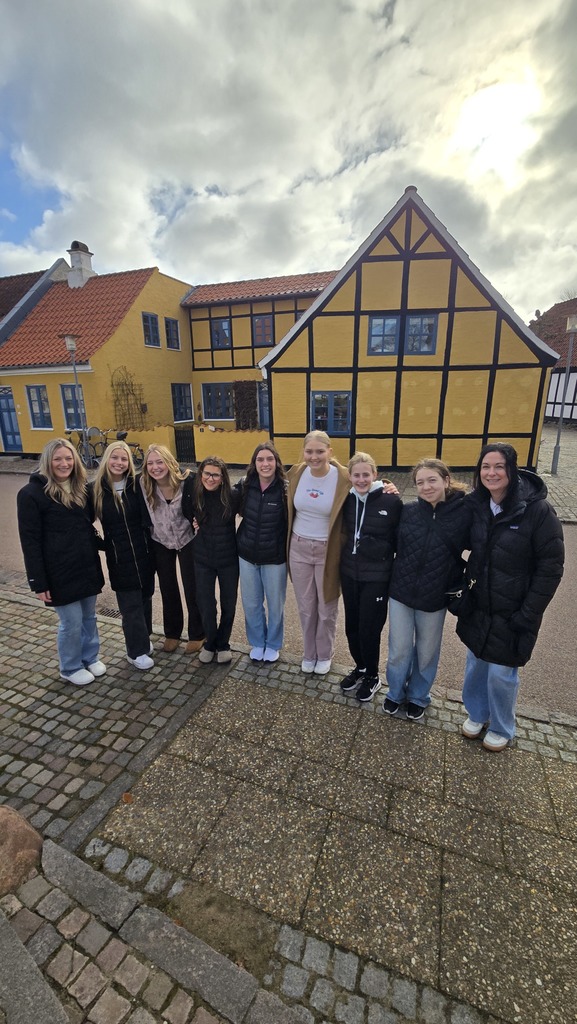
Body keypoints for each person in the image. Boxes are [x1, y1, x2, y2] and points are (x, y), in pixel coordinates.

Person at [456, 442, 564, 751]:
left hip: (514, 610)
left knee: (502, 674)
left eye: (499, 467)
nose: (491, 473)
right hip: (480, 605)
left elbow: (551, 568)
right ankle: (477, 714)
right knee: (476, 666)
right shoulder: (477, 505)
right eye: (485, 467)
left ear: (512, 470)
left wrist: (529, 613)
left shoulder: (538, 511)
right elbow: (450, 529)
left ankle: (502, 726)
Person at [384, 458, 470, 720]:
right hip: (401, 591)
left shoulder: (464, 513)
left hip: (435, 595)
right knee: (398, 650)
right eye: (420, 482)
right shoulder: (408, 511)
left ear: (446, 480)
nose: (426, 486)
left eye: (432, 480)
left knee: (426, 652)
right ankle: (395, 692)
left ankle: (419, 695)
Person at [17, 438, 105, 686]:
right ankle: (70, 666)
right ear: (48, 461)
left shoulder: (82, 490)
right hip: (58, 572)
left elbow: (87, 526)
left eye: (68, 458)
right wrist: (38, 582)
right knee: (71, 623)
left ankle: (90, 657)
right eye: (58, 459)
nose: (64, 464)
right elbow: (30, 542)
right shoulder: (31, 494)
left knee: (89, 618)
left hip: (86, 565)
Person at [339, 453, 402, 703]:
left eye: (366, 474)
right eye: (356, 475)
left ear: (375, 474)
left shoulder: (391, 500)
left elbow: (399, 540)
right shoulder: (345, 498)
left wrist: (378, 548)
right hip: (349, 572)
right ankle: (361, 667)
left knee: (369, 628)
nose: (361, 479)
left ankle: (373, 676)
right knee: (352, 627)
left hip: (377, 576)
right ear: (350, 476)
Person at [287, 431, 351, 675]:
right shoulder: (296, 472)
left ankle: (324, 654)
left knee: (326, 607)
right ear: (303, 452)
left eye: (320, 451)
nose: (314, 457)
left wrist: (387, 486)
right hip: (298, 547)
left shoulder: (343, 477)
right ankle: (309, 653)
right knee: (306, 607)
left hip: (328, 549)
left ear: (330, 451)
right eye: (309, 451)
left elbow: (368, 481)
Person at [92, 441, 155, 670]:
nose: (119, 463)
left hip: (143, 554)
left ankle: (144, 639)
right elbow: (82, 523)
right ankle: (135, 651)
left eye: (124, 458)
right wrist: (104, 544)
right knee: (130, 607)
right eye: (115, 457)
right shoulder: (95, 489)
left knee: (145, 599)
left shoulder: (136, 485)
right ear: (107, 459)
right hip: (119, 559)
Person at [140, 445, 205, 654]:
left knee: (192, 586)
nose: (155, 467)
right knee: (167, 587)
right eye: (150, 463)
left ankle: (198, 634)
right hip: (160, 540)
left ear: (169, 462)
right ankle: (172, 633)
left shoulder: (188, 481)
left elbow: (203, 502)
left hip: (188, 539)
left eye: (160, 462)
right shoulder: (143, 484)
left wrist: (200, 520)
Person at [184, 456, 241, 664]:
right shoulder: (194, 495)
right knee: (206, 603)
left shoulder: (233, 496)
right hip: (202, 558)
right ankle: (210, 642)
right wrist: (193, 523)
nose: (210, 478)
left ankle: (223, 643)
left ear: (223, 477)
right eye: (207, 473)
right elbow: (186, 514)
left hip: (228, 559)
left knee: (229, 603)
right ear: (201, 474)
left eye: (216, 475)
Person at [235, 442, 288, 662]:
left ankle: (273, 644)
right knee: (251, 603)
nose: (265, 464)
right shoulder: (245, 486)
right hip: (247, 555)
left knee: (275, 605)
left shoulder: (285, 489)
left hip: (274, 558)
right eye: (260, 459)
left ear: (276, 462)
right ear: (254, 463)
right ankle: (257, 642)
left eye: (269, 459)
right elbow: (221, 501)